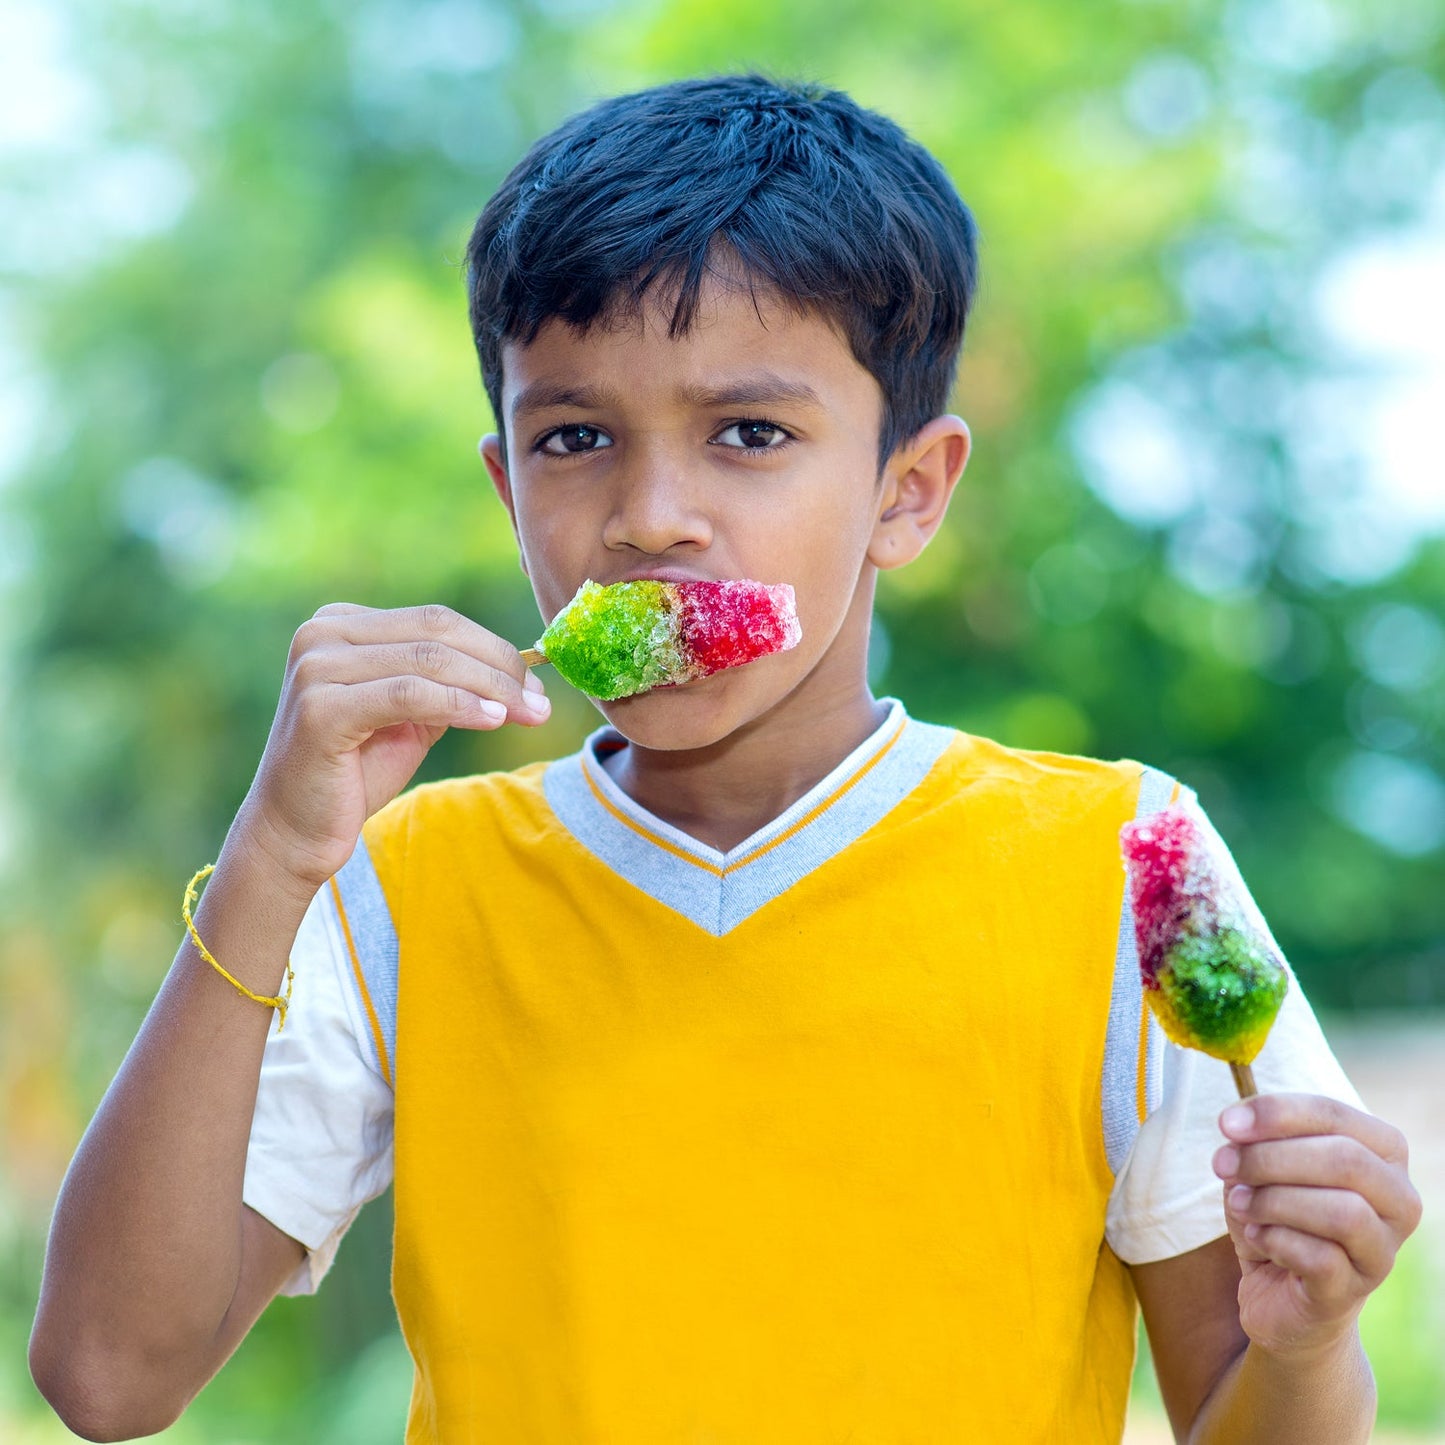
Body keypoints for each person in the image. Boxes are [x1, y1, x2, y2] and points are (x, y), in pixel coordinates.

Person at [30, 74, 1420, 1443]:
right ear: (508, 487)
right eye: (574, 438)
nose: (650, 519)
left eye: (748, 434)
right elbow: (107, 1376)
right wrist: (272, 856)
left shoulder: (1115, 857)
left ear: (906, 491)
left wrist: (1305, 1340)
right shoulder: (402, 878)